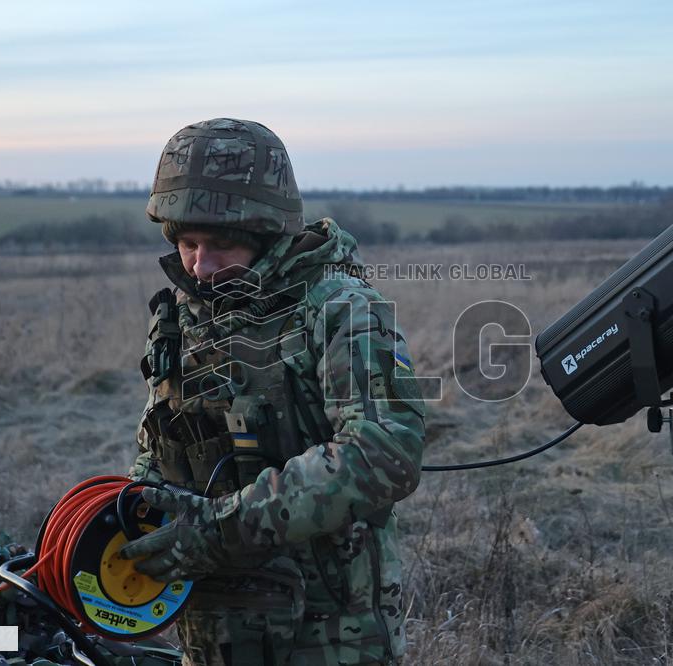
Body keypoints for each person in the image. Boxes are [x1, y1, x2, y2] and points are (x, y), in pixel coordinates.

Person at [119, 118, 426, 666]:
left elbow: (385, 452)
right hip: (213, 626)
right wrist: (129, 520)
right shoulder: (182, 314)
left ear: (270, 235)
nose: (201, 266)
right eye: (187, 244)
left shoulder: (340, 308)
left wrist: (214, 532)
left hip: (331, 631)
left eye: (222, 245)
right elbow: (159, 444)